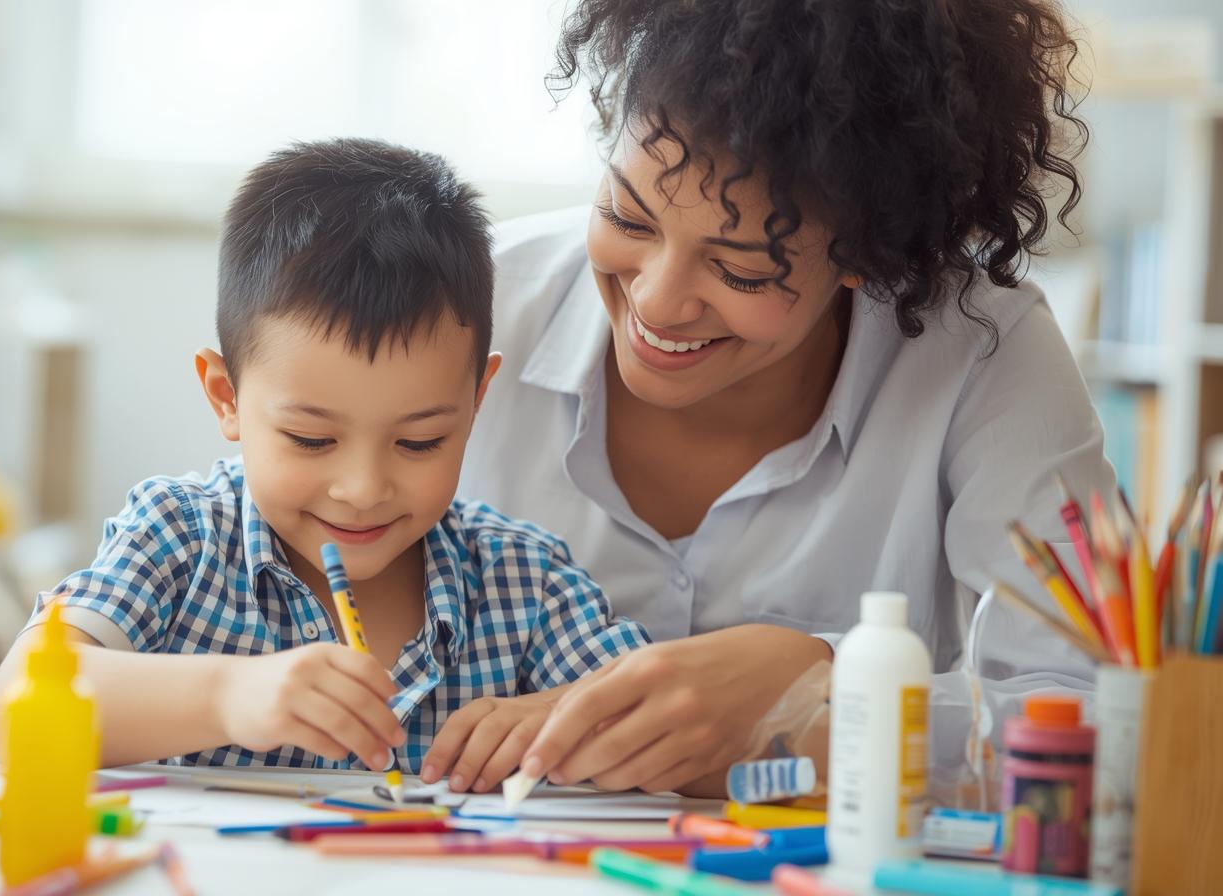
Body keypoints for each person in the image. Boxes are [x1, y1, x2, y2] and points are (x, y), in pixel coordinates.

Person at [424, 0, 1115, 797]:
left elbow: (1093, 717)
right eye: (627, 216)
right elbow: (254, 546)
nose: (656, 301)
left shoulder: (982, 354)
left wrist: (823, 702)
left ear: (868, 251)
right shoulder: (468, 302)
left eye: (742, 270)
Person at [0, 138, 647, 773]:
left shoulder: (522, 584)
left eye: (419, 442)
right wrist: (225, 696)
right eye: (311, 439)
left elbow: (679, 733)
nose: (361, 488)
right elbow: (14, 709)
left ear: (476, 402)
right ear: (226, 398)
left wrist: (562, 717)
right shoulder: (179, 537)